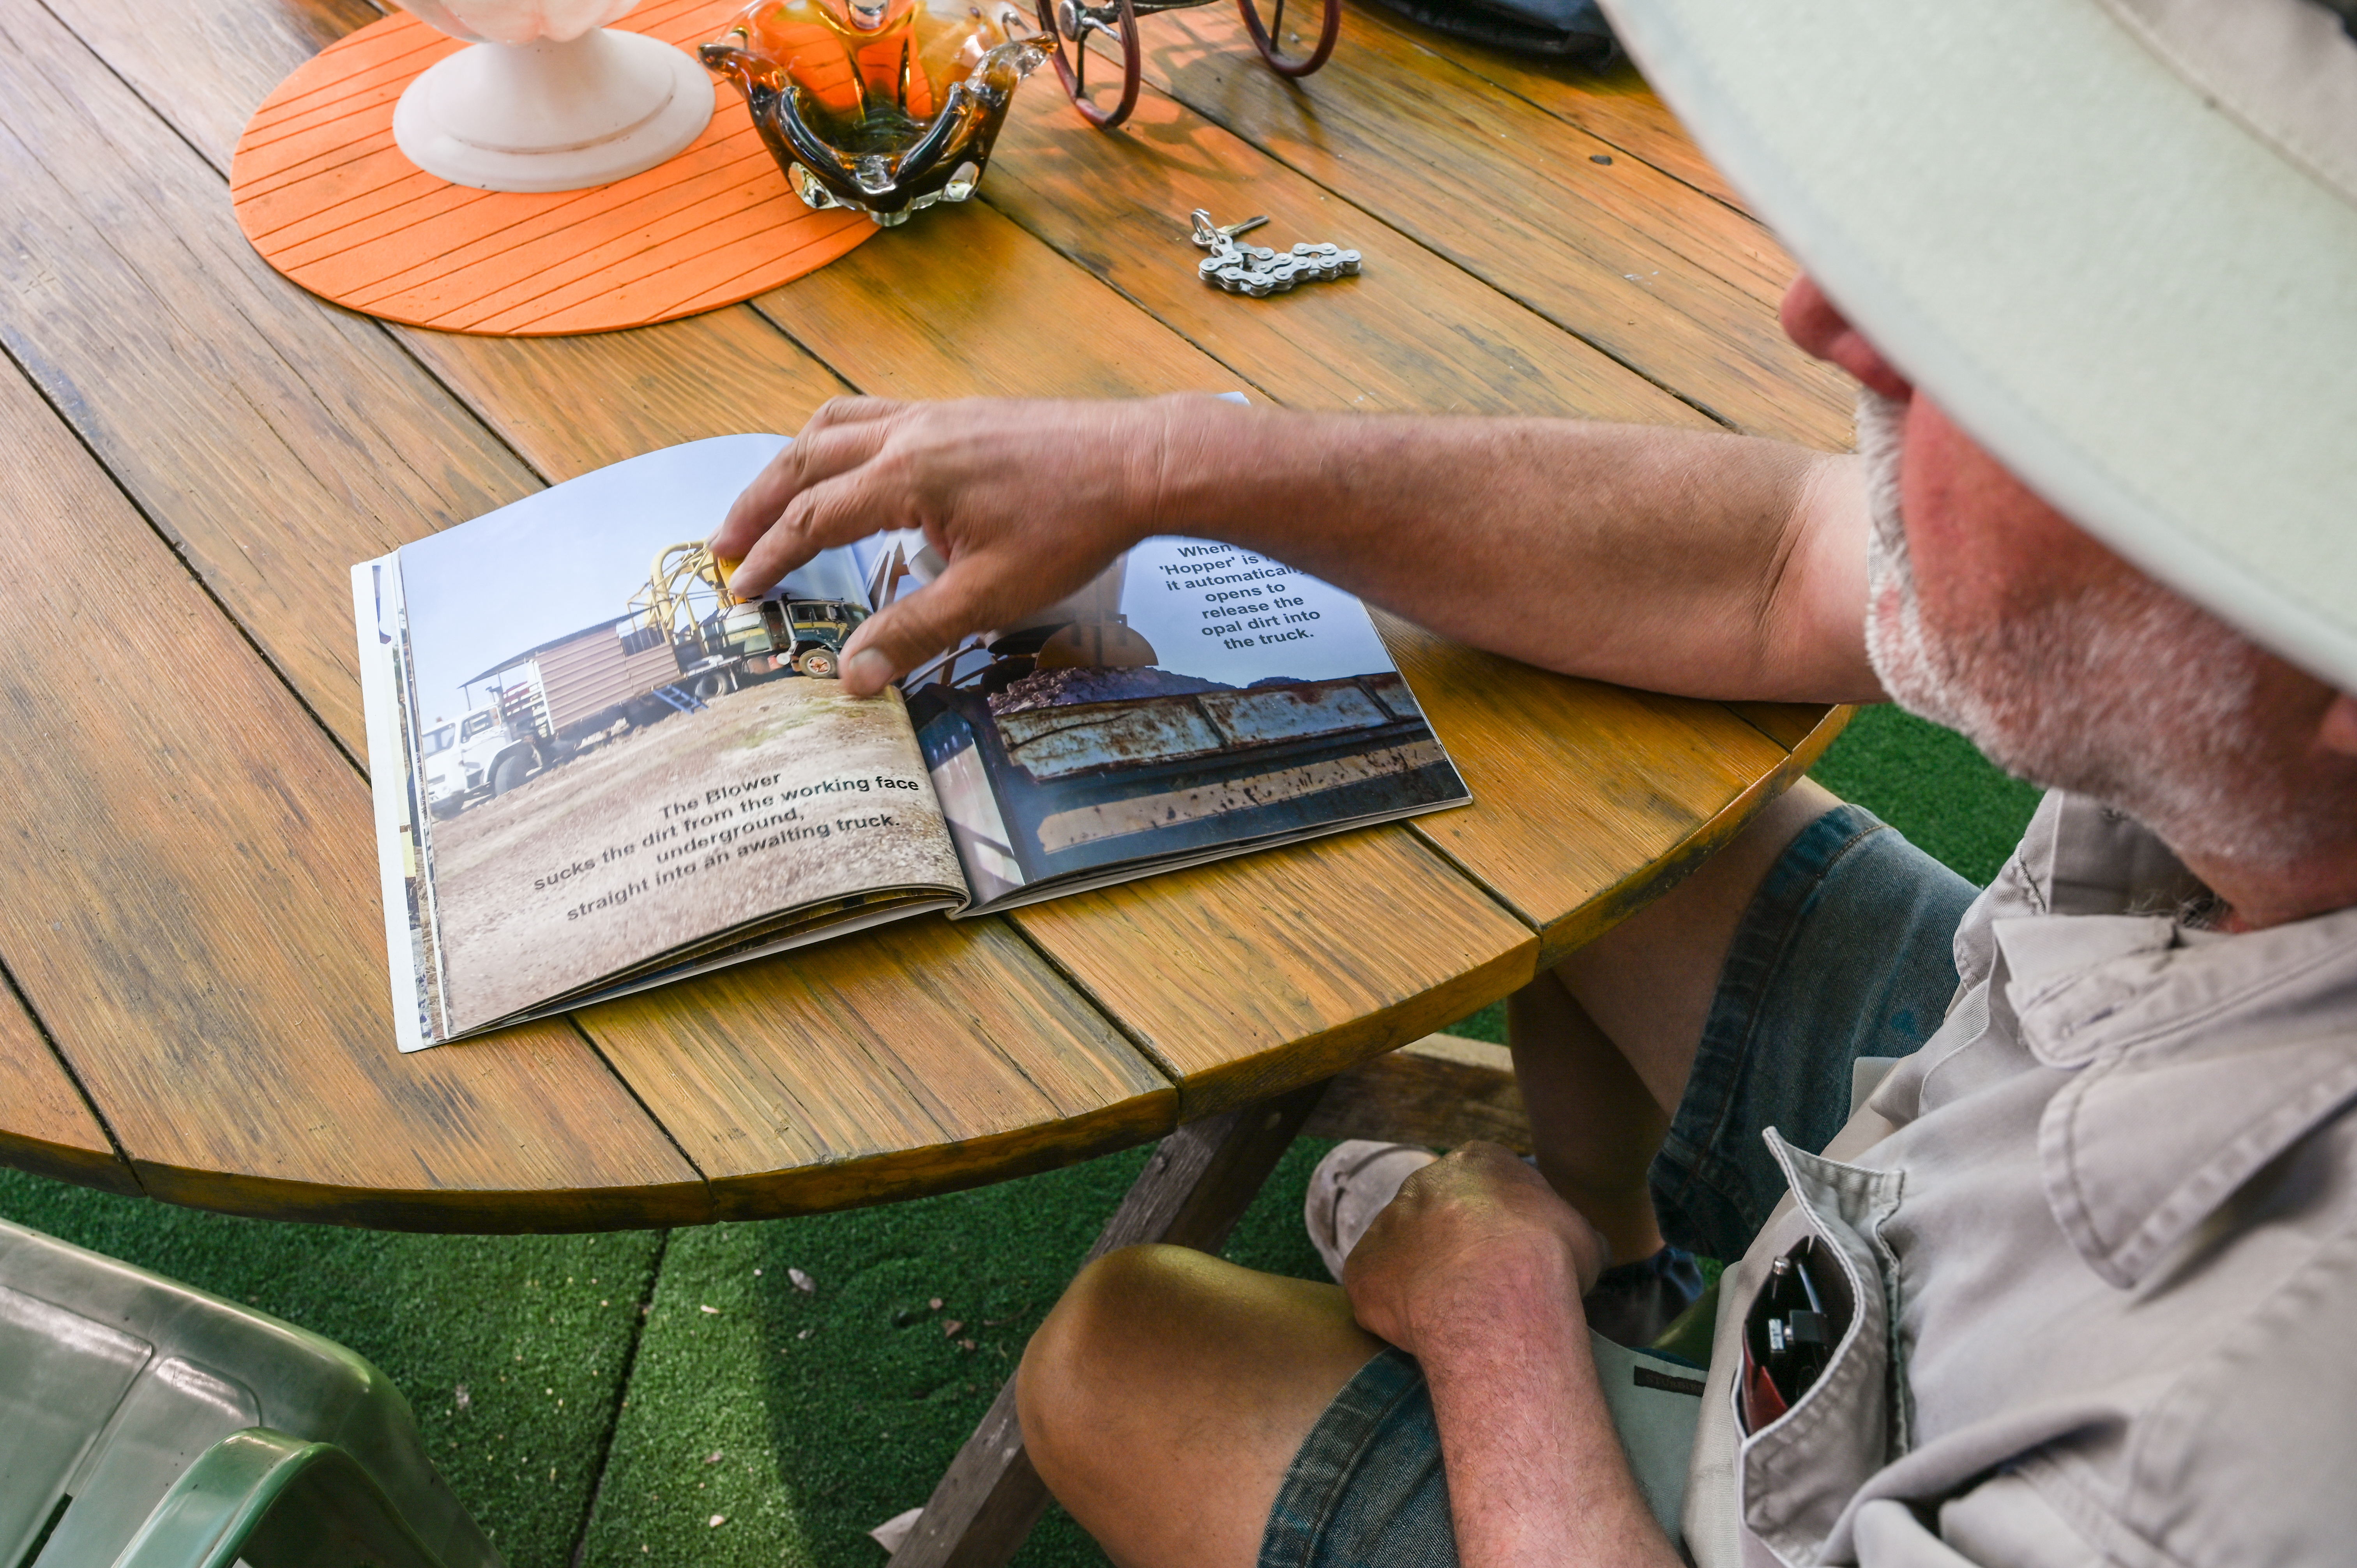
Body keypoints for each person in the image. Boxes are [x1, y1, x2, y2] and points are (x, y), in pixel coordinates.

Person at [709, 0, 2357, 1559]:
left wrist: (1494, 1327)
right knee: (1631, 816)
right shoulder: (2264, 658)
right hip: (2028, 1107)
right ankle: (1628, 1264)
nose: (1830, 321)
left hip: (2050, 1377)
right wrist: (1156, 463)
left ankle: (1575, 1287)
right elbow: (1776, 560)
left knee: (1118, 1360)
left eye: (2038, 352)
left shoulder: (2251, 1446)